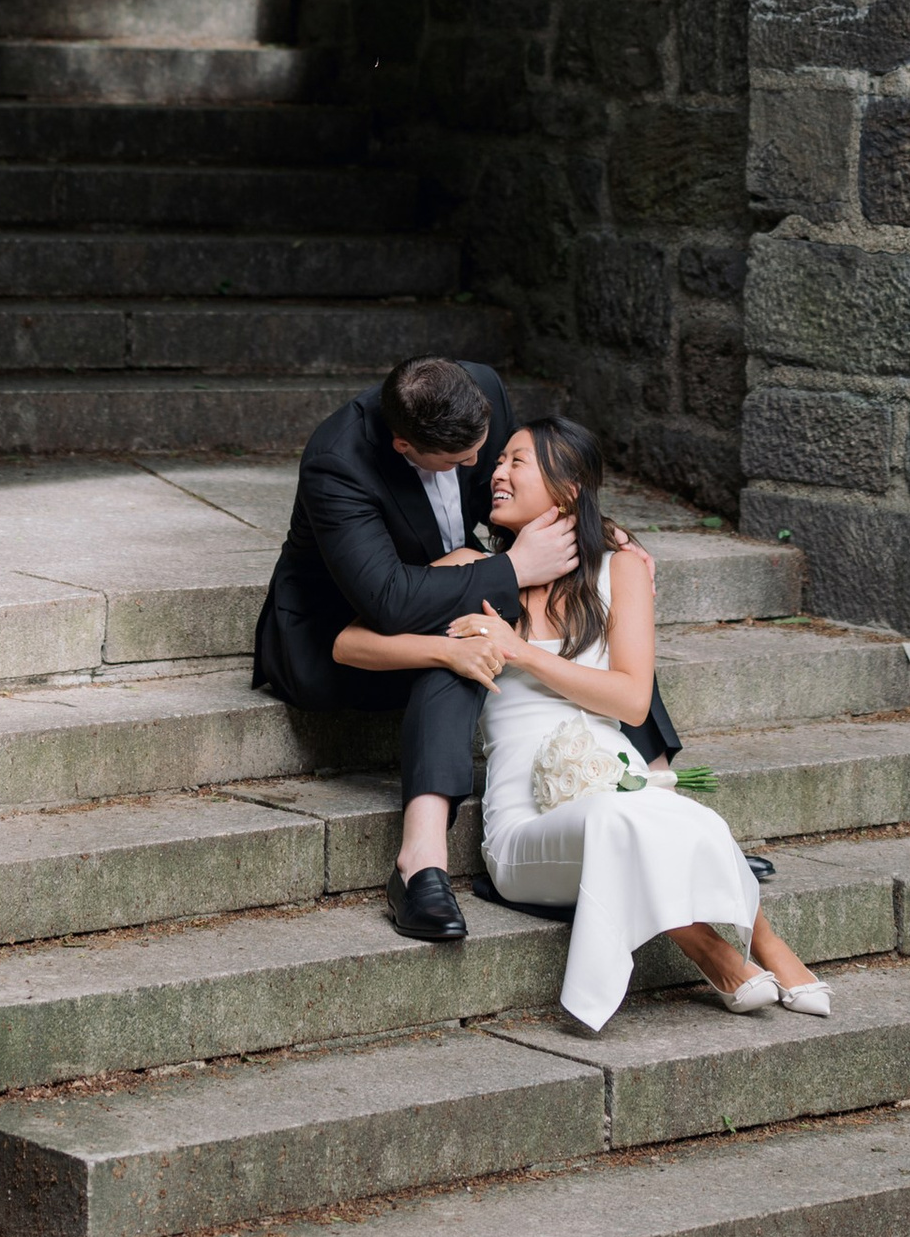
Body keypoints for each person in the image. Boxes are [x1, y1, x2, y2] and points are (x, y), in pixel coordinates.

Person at [326, 413, 829, 1032]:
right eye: (499, 461)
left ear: (566, 491)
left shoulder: (619, 570)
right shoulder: (468, 568)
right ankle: (719, 951)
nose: (497, 474)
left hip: (618, 787)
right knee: (626, 819)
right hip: (526, 829)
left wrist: (520, 651)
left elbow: (632, 702)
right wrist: (446, 651)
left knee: (661, 814)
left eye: (517, 462)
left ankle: (757, 951)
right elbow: (348, 644)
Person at [252, 354, 678, 942]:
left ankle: (667, 812)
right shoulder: (338, 462)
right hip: (341, 632)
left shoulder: (479, 391)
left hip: (458, 574)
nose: (482, 466)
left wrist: (597, 533)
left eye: (493, 451)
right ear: (404, 446)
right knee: (460, 639)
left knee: (600, 604)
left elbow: (519, 491)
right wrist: (512, 568)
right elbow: (388, 603)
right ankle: (419, 865)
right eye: (460, 461)